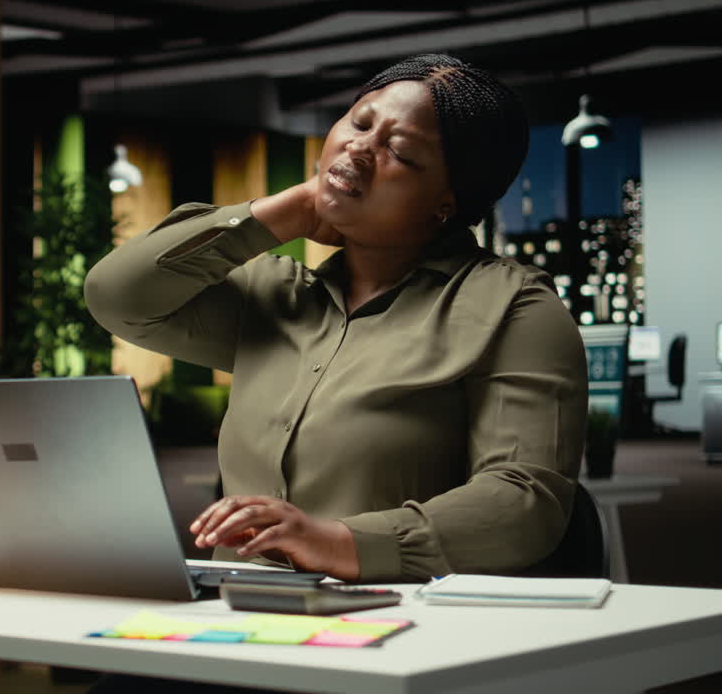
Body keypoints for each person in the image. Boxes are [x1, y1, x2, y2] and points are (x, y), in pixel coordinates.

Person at [84, 54, 587, 585]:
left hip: (404, 624)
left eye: (397, 150)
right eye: (360, 122)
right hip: (237, 620)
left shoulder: (514, 308)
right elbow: (117, 295)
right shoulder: (275, 296)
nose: (360, 148)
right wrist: (287, 211)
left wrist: (337, 543)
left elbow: (526, 502)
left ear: (447, 202)